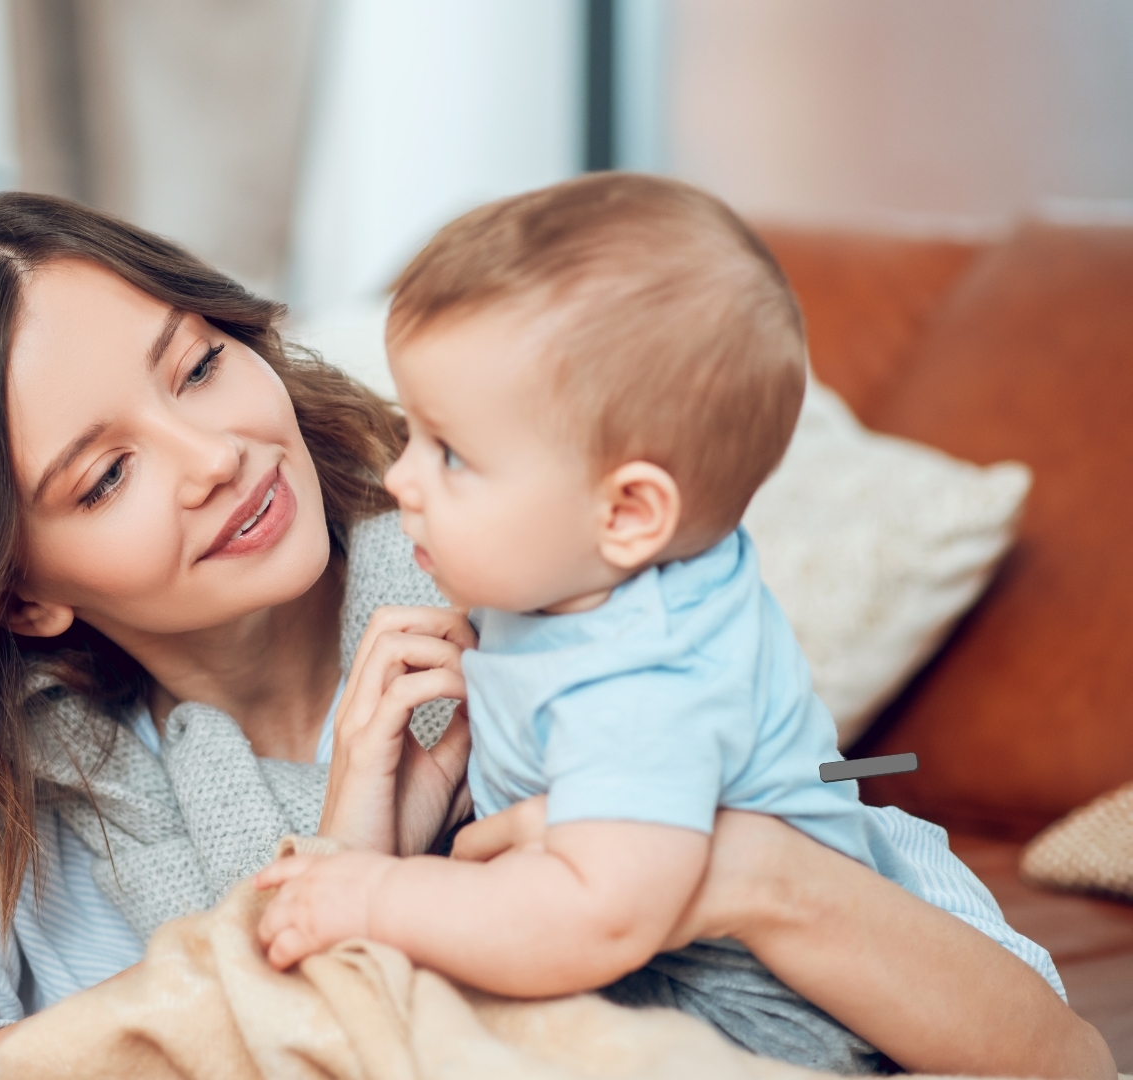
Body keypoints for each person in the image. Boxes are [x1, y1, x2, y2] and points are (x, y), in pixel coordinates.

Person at [0, 191, 1115, 1080]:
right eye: (104, 477)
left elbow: (1053, 1052)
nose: (216, 455)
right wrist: (305, 902)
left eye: (199, 365)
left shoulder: (560, 614)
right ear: (20, 594)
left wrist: (748, 875)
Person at [251, 174, 1046, 1073]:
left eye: (452, 454)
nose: (403, 483)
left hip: (751, 1002)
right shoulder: (573, 574)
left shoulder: (646, 680)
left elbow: (602, 915)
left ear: (629, 513)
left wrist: (379, 898)